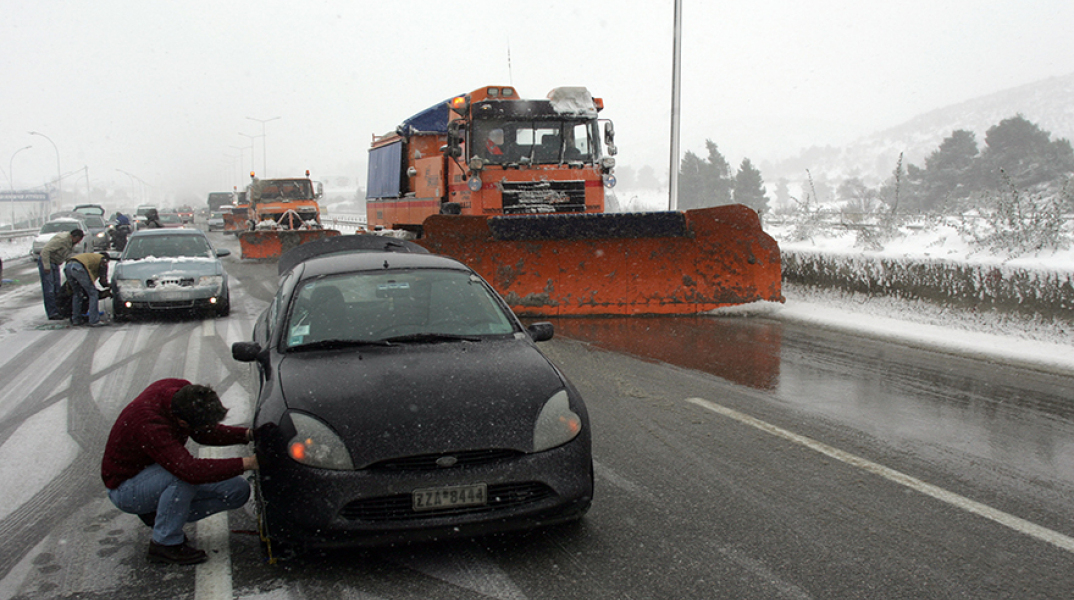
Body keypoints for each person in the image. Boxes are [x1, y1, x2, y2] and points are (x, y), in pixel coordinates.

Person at [101, 379, 259, 565]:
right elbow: (189, 470)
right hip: (126, 487)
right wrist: (250, 462)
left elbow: (204, 432)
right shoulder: (150, 425)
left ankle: (161, 513)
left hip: (157, 472)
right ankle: (164, 544)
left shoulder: (182, 393)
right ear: (182, 422)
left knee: (237, 490)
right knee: (181, 479)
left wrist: (248, 434)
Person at [37, 229, 85, 320]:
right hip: (47, 262)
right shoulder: (62, 240)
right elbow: (45, 251)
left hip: (55, 263)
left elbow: (67, 255)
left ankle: (59, 310)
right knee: (49, 289)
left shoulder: (71, 243)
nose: (78, 242)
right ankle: (52, 313)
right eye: (78, 239)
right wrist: (46, 266)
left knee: (57, 288)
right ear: (72, 236)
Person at [64, 252, 110, 326]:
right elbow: (102, 281)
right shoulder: (102, 260)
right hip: (78, 267)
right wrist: (109, 287)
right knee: (93, 294)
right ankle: (94, 320)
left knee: (77, 293)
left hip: (68, 266)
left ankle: (76, 319)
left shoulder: (92, 258)